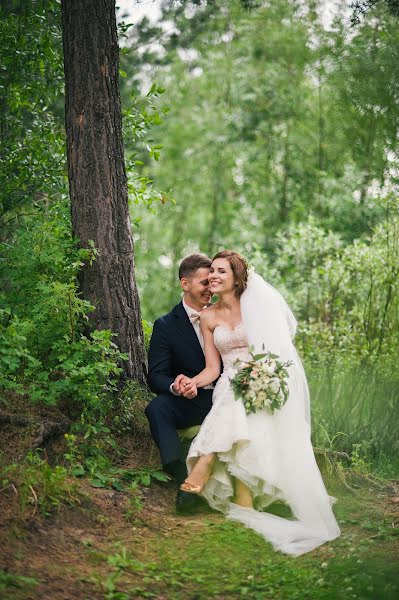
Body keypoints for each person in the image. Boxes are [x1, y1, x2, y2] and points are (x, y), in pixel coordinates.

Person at [177, 250, 341, 556]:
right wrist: (190, 381)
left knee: (238, 399)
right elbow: (214, 369)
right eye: (212, 271)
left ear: (237, 278)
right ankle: (238, 492)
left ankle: (208, 468)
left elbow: (278, 350)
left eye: (221, 271)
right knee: (231, 393)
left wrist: (261, 375)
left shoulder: (256, 307)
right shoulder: (208, 317)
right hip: (229, 383)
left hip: (261, 380)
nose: (213, 276)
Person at [146, 254, 215, 514]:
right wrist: (177, 386)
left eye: (213, 282)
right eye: (204, 282)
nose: (211, 288)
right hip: (190, 401)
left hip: (223, 395)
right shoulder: (165, 325)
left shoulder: (225, 317)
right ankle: (180, 477)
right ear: (185, 284)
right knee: (157, 407)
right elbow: (156, 376)